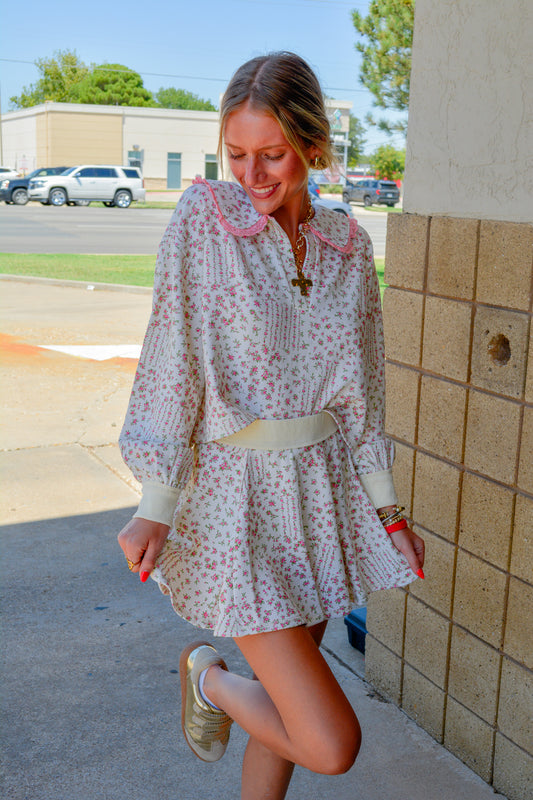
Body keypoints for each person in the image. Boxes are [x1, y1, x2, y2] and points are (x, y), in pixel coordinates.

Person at [118, 51, 425, 799]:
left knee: (285, 715)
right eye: (237, 155)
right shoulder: (204, 223)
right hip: (235, 506)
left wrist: (388, 514)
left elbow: (362, 395)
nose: (251, 175)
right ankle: (211, 680)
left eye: (272, 155)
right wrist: (156, 501)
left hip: (318, 502)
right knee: (329, 742)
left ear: (312, 147)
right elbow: (172, 360)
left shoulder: (347, 245)